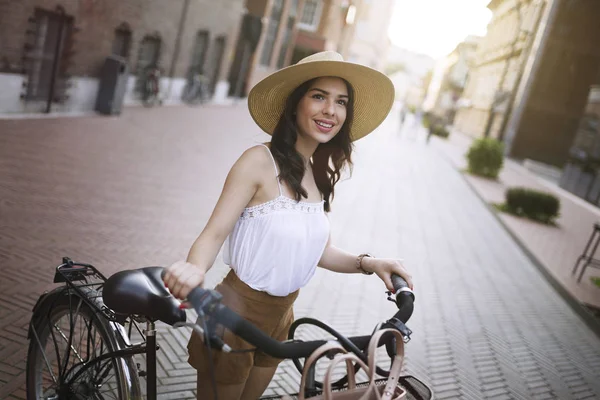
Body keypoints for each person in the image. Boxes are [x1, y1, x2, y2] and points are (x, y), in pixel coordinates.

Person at [162, 51, 414, 400]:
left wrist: (369, 263)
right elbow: (213, 234)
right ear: (295, 103)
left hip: (281, 316)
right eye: (319, 96)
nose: (331, 110)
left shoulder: (317, 173)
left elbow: (319, 251)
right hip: (234, 311)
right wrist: (193, 271)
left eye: (341, 102)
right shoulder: (257, 161)